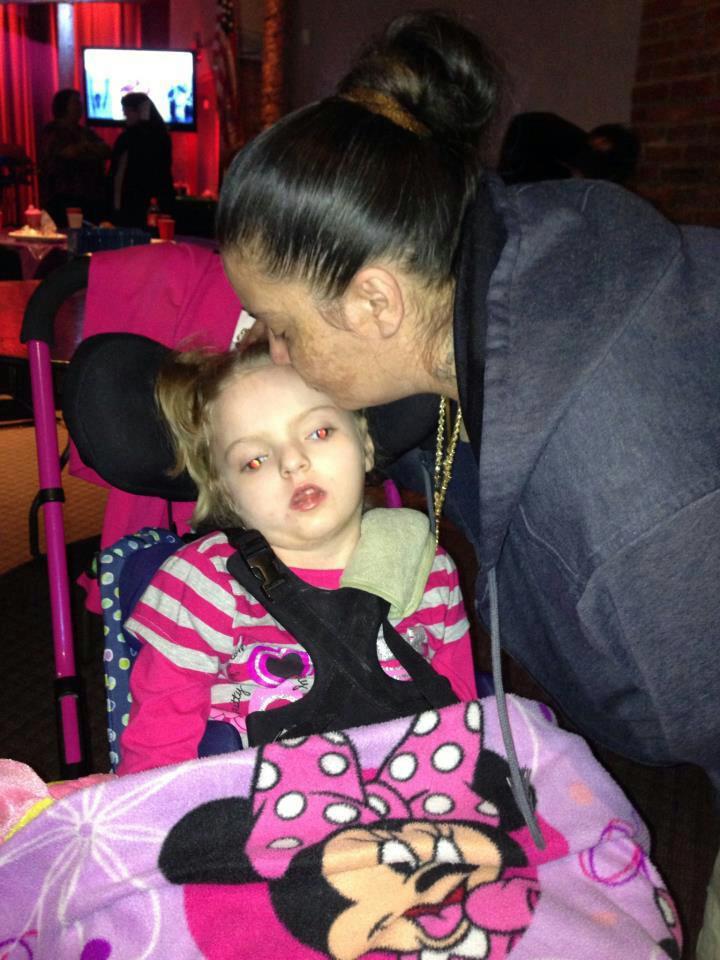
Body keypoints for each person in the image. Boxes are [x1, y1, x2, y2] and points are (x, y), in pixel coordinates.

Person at [215, 10, 720, 795]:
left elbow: (691, 714)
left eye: (281, 329)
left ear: (375, 303)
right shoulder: (495, 251)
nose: (275, 355)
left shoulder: (630, 519)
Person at [118, 345, 476, 775]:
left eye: (319, 432)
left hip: (417, 785)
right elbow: (158, 746)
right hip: (261, 799)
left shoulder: (426, 566)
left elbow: (462, 710)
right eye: (255, 460)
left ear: (364, 445)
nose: (292, 462)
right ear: (228, 494)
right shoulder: (208, 583)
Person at [37, 88, 110, 227]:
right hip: (62, 197)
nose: (80, 107)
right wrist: (89, 150)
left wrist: (82, 149)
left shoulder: (85, 131)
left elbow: (106, 150)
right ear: (64, 106)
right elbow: (68, 153)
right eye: (76, 103)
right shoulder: (52, 131)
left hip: (89, 197)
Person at [109, 92, 174, 227]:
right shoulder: (129, 137)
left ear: (140, 111)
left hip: (142, 207)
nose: (125, 115)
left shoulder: (150, 139)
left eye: (128, 111)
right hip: (127, 206)